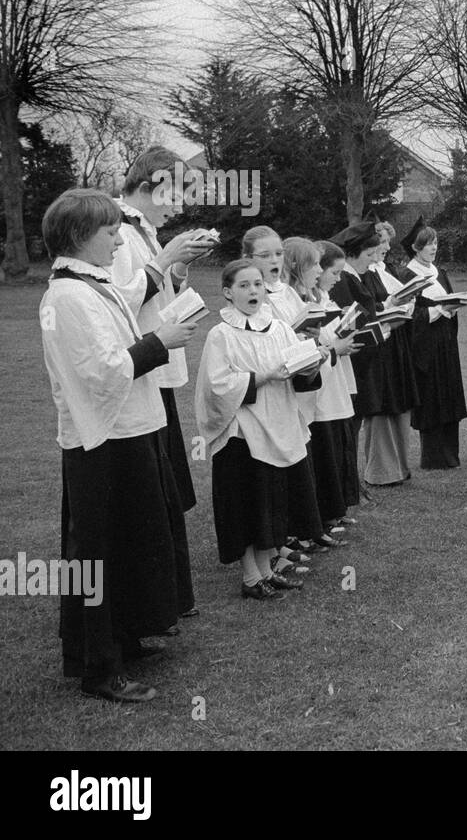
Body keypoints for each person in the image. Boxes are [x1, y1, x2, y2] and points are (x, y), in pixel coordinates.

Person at [40, 189, 197, 702]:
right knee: (98, 551)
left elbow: (124, 325)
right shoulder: (67, 296)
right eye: (110, 232)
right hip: (100, 441)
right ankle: (98, 665)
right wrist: (160, 343)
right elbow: (99, 372)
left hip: (131, 428)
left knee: (133, 538)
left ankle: (125, 637)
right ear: (82, 236)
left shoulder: (94, 283)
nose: (117, 240)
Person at [112, 146, 212, 623]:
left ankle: (173, 595)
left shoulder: (144, 232)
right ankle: (160, 599)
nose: (181, 205)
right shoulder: (117, 232)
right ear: (153, 180)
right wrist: (166, 257)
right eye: (177, 192)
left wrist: (175, 267)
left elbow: (154, 293)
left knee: (169, 486)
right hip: (139, 371)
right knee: (155, 489)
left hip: (158, 371)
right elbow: (120, 304)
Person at [195, 260, 324, 601]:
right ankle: (251, 576)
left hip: (279, 421)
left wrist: (311, 364)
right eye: (244, 285)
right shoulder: (221, 334)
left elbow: (296, 372)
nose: (253, 291)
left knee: (272, 499)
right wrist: (265, 375)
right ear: (227, 292)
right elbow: (216, 387)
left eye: (257, 284)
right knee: (247, 502)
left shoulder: (279, 328)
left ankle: (268, 570)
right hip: (244, 432)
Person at [244, 227, 338, 557]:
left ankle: (292, 534)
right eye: (265, 255)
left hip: (295, 384)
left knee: (295, 462)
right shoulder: (255, 295)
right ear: (249, 259)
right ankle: (279, 543)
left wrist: (310, 338)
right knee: (275, 468)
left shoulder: (285, 291)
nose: (273, 260)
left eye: (277, 254)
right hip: (272, 386)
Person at [329, 221, 421, 487]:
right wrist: (385, 324)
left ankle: (351, 487)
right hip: (353, 362)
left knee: (354, 425)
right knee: (348, 428)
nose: (372, 261)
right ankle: (348, 487)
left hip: (365, 359)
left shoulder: (359, 275)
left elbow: (370, 309)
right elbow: (352, 320)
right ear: (353, 254)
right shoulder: (344, 280)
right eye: (369, 255)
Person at [284, 237, 359, 545]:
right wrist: (332, 347)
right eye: (314, 264)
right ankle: (315, 523)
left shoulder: (315, 296)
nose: (319, 271)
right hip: (310, 385)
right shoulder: (293, 298)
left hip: (327, 377)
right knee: (319, 451)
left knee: (332, 447)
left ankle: (329, 514)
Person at [397, 219, 467, 470]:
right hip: (425, 347)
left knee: (449, 396)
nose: (433, 248)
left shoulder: (440, 273)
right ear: (416, 248)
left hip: (446, 343)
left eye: (435, 243)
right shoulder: (407, 275)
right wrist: (439, 310)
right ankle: (433, 457)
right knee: (432, 399)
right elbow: (409, 318)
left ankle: (451, 455)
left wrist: (453, 307)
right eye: (428, 244)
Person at [315, 239, 362, 521]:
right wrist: (337, 345)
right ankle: (328, 512)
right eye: (334, 273)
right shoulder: (311, 300)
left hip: (339, 374)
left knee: (341, 441)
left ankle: (338, 508)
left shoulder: (326, 298)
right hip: (322, 382)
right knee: (327, 446)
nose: (338, 279)